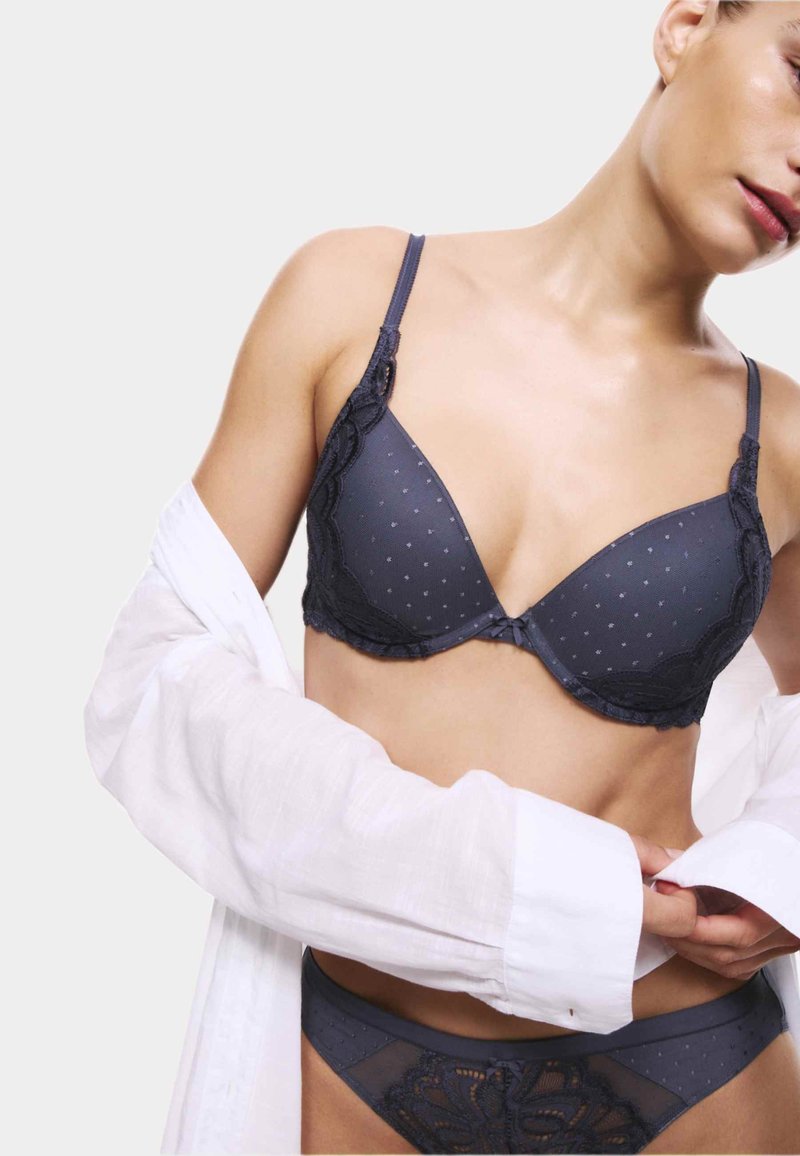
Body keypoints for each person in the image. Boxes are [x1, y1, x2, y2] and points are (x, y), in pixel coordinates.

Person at [96, 1, 800, 1152]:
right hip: (355, 1053)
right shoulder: (355, 298)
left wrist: (776, 875)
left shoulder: (779, 439)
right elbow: (155, 674)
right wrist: (536, 885)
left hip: (684, 1065)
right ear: (681, 28)